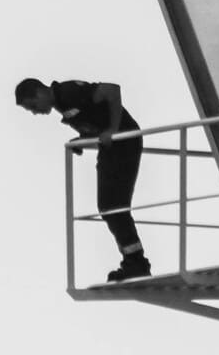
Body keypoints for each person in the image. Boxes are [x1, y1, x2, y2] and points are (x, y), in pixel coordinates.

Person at [15, 76, 147, 281]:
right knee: (109, 207)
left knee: (113, 207)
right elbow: (95, 120)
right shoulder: (62, 104)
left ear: (40, 92)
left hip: (124, 143)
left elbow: (112, 90)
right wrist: (83, 139)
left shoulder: (68, 92)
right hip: (112, 148)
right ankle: (133, 261)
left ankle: (137, 263)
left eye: (32, 105)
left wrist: (113, 128)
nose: (35, 112)